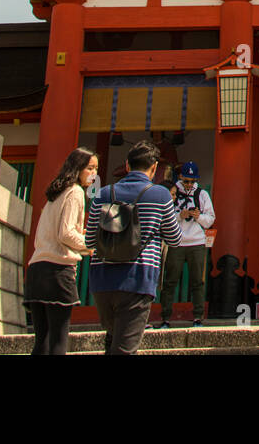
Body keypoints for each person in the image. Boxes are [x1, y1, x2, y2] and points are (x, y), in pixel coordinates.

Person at [84, 140, 182, 355]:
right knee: (125, 349)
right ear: (155, 167)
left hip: (102, 280)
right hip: (138, 278)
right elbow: (175, 239)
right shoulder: (161, 196)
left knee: (112, 343)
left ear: (127, 165)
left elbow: (90, 241)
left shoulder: (103, 194)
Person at [25, 147, 96, 355]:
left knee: (42, 341)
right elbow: (65, 234)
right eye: (90, 168)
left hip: (37, 268)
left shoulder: (54, 194)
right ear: (78, 168)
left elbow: (51, 234)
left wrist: (80, 242)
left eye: (96, 169)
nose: (94, 173)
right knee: (58, 339)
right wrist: (89, 244)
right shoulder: (75, 192)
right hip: (58, 271)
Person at [158, 161, 215, 329]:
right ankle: (165, 318)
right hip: (176, 241)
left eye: (192, 181)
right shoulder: (172, 192)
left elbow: (210, 219)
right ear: (180, 177)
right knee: (170, 281)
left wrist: (198, 217)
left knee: (197, 281)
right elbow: (165, 217)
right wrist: (180, 216)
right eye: (186, 181)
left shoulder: (202, 194)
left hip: (196, 241)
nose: (189, 184)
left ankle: (198, 317)